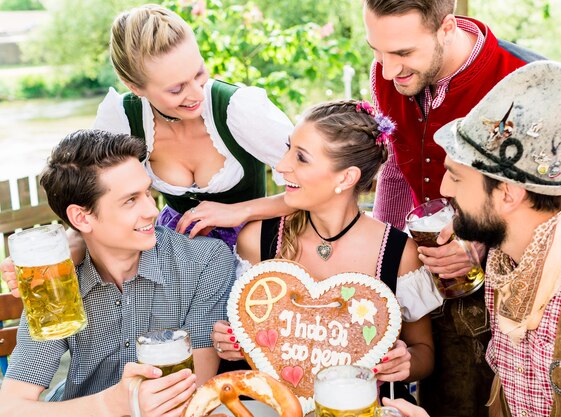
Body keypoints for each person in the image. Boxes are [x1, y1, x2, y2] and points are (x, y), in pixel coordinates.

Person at [362, 1, 561, 415]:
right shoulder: (390, 73)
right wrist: (383, 263)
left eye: (403, 54)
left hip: (517, 294)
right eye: (377, 51)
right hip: (430, 287)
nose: (388, 72)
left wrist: (481, 244)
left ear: (447, 27)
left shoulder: (527, 81)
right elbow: (395, 168)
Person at [212, 100, 443, 398]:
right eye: (287, 149)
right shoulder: (258, 240)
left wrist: (405, 363)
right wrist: (229, 343)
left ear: (346, 177)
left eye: (301, 158)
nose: (281, 166)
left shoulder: (398, 252)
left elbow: (425, 353)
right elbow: (245, 343)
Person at [0, 129, 236, 417]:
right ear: (81, 218)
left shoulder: (204, 262)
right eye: (131, 200)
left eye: (148, 192)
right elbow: (11, 407)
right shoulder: (55, 286)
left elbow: (195, 389)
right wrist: (112, 404)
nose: (152, 210)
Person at [94, 4, 294, 246]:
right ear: (135, 87)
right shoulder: (121, 119)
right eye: (176, 89)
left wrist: (242, 211)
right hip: (176, 249)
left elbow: (316, 188)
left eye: (199, 73)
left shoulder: (239, 109)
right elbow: (98, 200)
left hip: (252, 244)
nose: (197, 95)